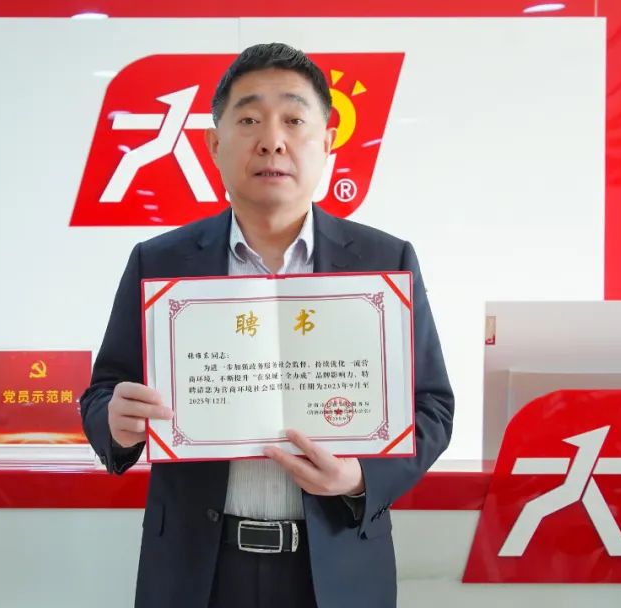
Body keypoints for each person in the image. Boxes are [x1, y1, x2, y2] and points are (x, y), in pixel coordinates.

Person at [80, 42, 454, 608]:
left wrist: (360, 478)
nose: (272, 140)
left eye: (294, 121)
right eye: (250, 119)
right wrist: (114, 422)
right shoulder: (159, 262)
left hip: (335, 568)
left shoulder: (385, 262)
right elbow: (103, 392)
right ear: (214, 144)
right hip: (198, 572)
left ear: (327, 141)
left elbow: (432, 406)